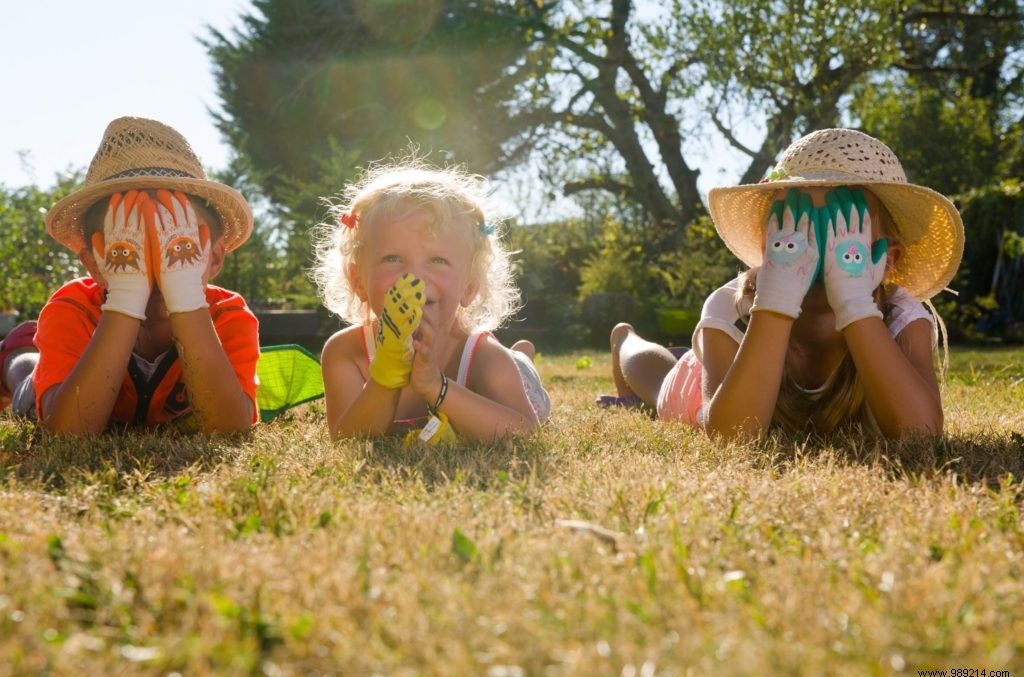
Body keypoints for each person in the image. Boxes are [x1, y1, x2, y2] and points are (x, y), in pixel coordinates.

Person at [603, 128, 964, 440]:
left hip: (730, 353)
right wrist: (776, 298)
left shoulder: (901, 315)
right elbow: (733, 437)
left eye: (843, 232)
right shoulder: (731, 307)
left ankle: (678, 351)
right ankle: (625, 339)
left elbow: (922, 434)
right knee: (657, 379)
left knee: (682, 358)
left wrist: (855, 303)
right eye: (799, 227)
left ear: (888, 259)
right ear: (768, 248)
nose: (818, 248)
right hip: (715, 379)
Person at [0, 116, 259, 435]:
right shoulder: (73, 309)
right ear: (94, 265)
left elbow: (231, 431)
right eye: (131, 247)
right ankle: (16, 351)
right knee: (26, 373)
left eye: (175, 245)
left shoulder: (228, 315)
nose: (155, 266)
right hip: (46, 384)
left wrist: (187, 298)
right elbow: (68, 434)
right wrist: (125, 298)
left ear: (214, 257)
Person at [311, 160, 550, 442]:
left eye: (438, 260)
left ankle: (523, 357)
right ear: (358, 280)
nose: (414, 276)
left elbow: (523, 432)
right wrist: (386, 374)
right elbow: (347, 438)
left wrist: (436, 386)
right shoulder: (345, 353)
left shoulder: (482, 355)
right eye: (392, 258)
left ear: (470, 286)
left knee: (517, 364)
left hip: (518, 381)